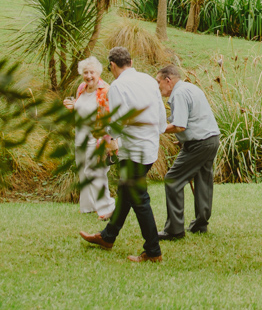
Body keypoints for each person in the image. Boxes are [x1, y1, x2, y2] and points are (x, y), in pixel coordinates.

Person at [78, 46, 166, 264]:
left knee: (139, 199)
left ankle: (153, 251)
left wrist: (106, 133)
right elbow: (161, 114)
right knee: (125, 194)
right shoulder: (148, 80)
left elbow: (118, 122)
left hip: (134, 150)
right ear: (131, 62)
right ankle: (107, 237)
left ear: (112, 65)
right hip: (149, 147)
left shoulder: (117, 86)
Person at [155, 65, 220, 240]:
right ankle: (200, 224)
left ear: (168, 80)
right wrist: (184, 138)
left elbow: (179, 125)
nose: (158, 86)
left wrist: (157, 129)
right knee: (203, 180)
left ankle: (174, 230)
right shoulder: (190, 87)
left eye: (158, 82)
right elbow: (195, 118)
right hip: (211, 139)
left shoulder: (179, 93)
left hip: (199, 143)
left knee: (173, 179)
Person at [63, 57, 115, 220]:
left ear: (98, 73)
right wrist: (72, 107)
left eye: (92, 72)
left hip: (97, 138)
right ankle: (88, 207)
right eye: (85, 72)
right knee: (83, 172)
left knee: (95, 173)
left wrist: (109, 142)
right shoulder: (81, 88)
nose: (89, 76)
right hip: (81, 137)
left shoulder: (106, 90)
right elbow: (81, 110)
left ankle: (107, 208)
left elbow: (111, 117)